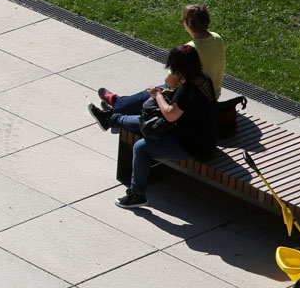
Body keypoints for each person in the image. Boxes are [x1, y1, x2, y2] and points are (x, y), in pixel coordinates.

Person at [90, 45, 218, 208]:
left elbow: (170, 114)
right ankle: (110, 119)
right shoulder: (203, 78)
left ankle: (137, 195)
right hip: (203, 135)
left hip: (194, 146)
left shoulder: (187, 89)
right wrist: (169, 95)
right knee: (146, 122)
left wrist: (158, 95)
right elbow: (190, 104)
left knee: (141, 148)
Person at [97, 4, 226, 114]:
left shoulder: (189, 50)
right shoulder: (217, 37)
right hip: (213, 94)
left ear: (186, 23)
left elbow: (170, 82)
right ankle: (119, 104)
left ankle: (116, 104)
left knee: (154, 91)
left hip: (192, 97)